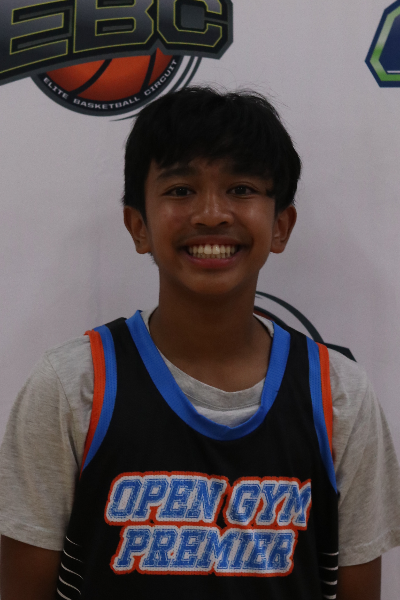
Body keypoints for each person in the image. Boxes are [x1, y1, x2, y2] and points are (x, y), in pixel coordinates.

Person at [1, 87, 399, 600]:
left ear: (281, 226)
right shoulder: (72, 385)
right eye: (181, 190)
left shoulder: (339, 394)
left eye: (241, 188)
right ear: (138, 226)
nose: (211, 213)